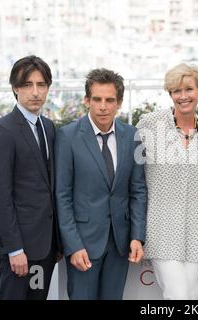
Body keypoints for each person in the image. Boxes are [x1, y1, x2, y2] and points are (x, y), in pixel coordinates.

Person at [55, 68, 147, 300]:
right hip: (83, 244)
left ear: (119, 103)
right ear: (87, 100)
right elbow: (62, 196)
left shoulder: (133, 135)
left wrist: (137, 236)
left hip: (120, 244)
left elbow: (137, 190)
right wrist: (73, 246)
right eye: (97, 99)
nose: (103, 106)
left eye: (110, 100)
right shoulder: (67, 136)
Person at [136, 63, 198, 300]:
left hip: (197, 228)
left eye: (189, 89)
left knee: (192, 296)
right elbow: (130, 171)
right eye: (176, 91)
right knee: (178, 296)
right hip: (162, 226)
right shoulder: (149, 124)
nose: (183, 96)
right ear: (170, 94)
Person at [0, 55, 61, 300]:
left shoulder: (48, 127)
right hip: (18, 252)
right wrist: (15, 249)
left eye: (41, 85)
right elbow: (0, 198)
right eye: (28, 85)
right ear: (15, 88)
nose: (35, 92)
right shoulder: (2, 132)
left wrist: (56, 242)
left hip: (44, 247)